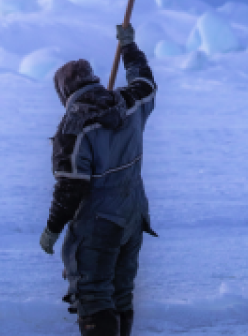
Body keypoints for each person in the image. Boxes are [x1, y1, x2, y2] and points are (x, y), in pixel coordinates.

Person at [39, 23, 158, 336]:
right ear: (93, 80)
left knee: (92, 294)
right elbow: (146, 83)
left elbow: (70, 186)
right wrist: (130, 48)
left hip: (98, 223)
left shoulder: (72, 128)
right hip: (133, 214)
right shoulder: (129, 103)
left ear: (64, 93)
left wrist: (52, 229)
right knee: (121, 292)